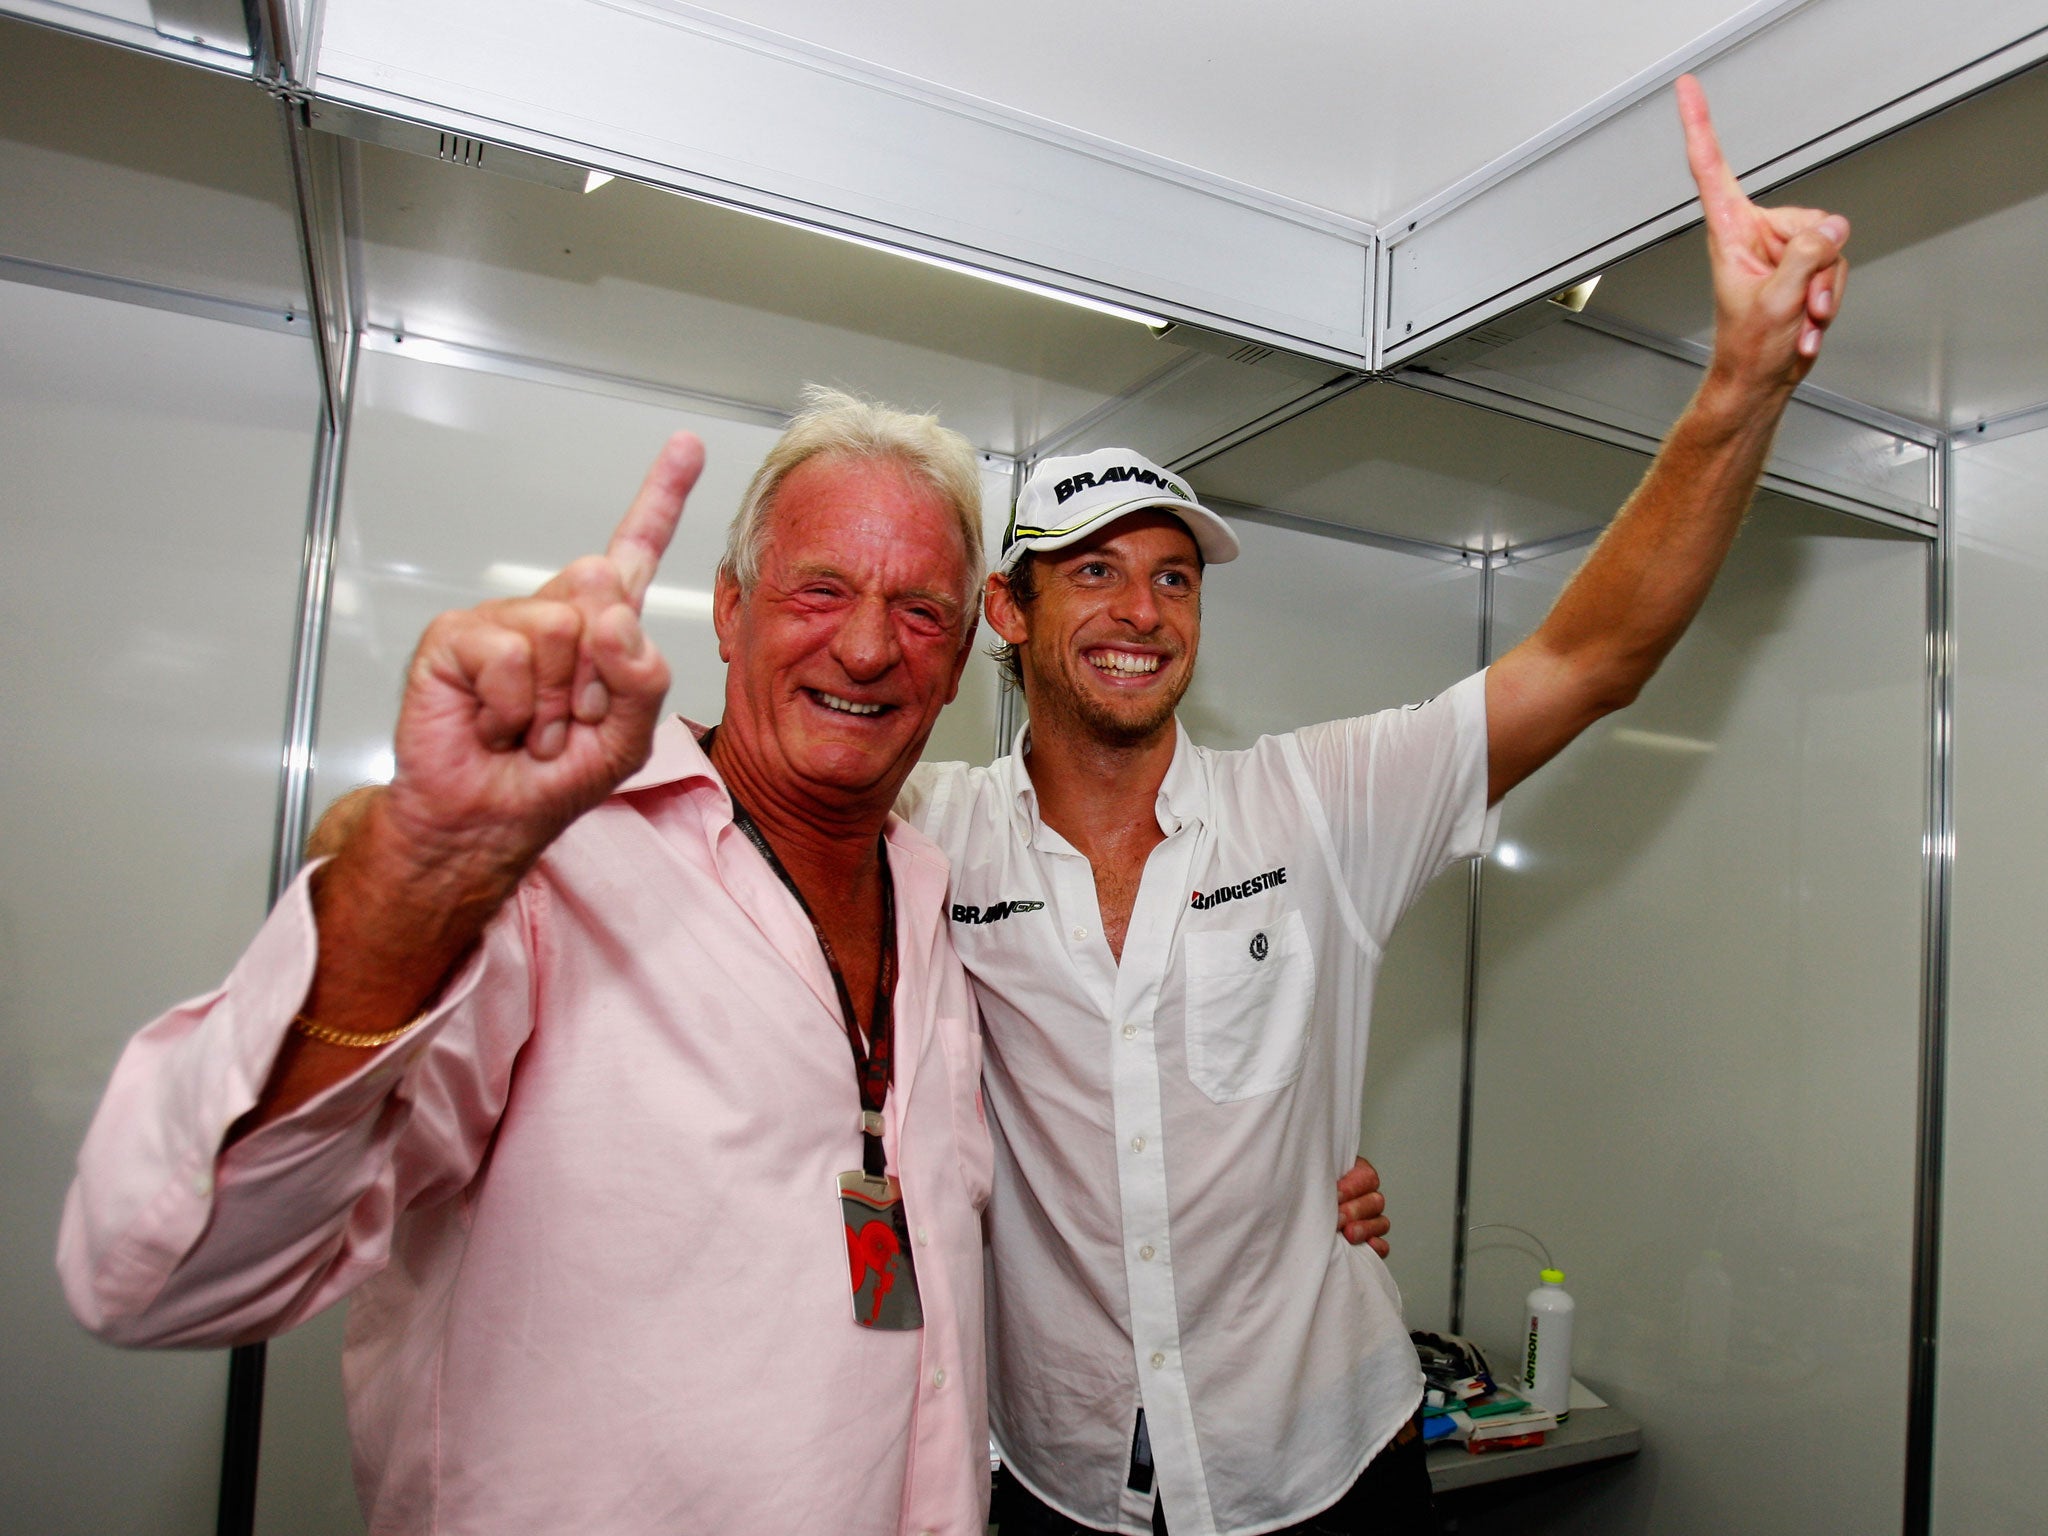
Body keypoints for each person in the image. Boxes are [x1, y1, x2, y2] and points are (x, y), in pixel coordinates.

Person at [895, 75, 1852, 1536]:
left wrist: (1742, 385)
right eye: (1091, 570)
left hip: (1331, 1471)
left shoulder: (1317, 805)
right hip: (1063, 1484)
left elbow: (1592, 659)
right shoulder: (928, 837)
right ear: (1007, 616)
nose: (1141, 610)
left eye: (1174, 574)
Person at [58, 393, 1002, 1534]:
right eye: (819, 589)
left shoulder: (925, 888)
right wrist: (418, 870)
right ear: (727, 608)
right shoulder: (549, 874)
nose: (864, 646)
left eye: (919, 611)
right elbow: (160, 1270)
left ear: (955, 666)